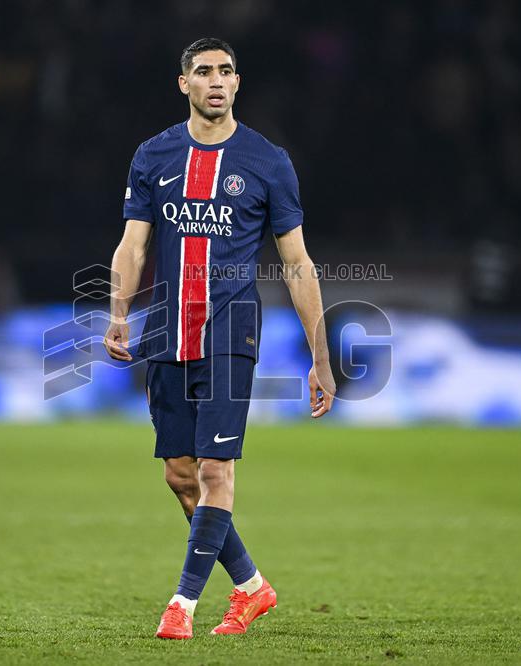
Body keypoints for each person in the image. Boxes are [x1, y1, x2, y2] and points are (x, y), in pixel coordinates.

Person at [104, 37, 336, 640]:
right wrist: (118, 311)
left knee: (215, 471)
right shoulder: (153, 156)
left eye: (226, 72)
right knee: (180, 476)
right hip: (167, 331)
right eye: (203, 71)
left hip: (232, 333)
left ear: (238, 84)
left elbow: (298, 263)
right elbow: (134, 244)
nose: (215, 80)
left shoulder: (267, 161)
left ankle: (181, 605)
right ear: (183, 84)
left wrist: (320, 354)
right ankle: (253, 588)